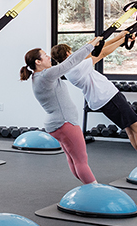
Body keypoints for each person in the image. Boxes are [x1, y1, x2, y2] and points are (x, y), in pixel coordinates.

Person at [51, 32, 137, 162]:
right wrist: (122, 40)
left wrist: (120, 37)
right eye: (71, 51)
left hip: (107, 99)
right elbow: (102, 53)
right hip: (109, 98)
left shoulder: (69, 68)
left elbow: (98, 49)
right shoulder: (76, 68)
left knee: (132, 130)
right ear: (68, 54)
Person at [20, 37, 102, 185]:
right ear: (38, 62)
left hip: (58, 124)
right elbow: (71, 62)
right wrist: (91, 44)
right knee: (81, 160)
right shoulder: (46, 75)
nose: (49, 57)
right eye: (45, 55)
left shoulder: (37, 76)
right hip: (65, 123)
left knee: (73, 159)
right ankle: (95, 190)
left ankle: (87, 188)